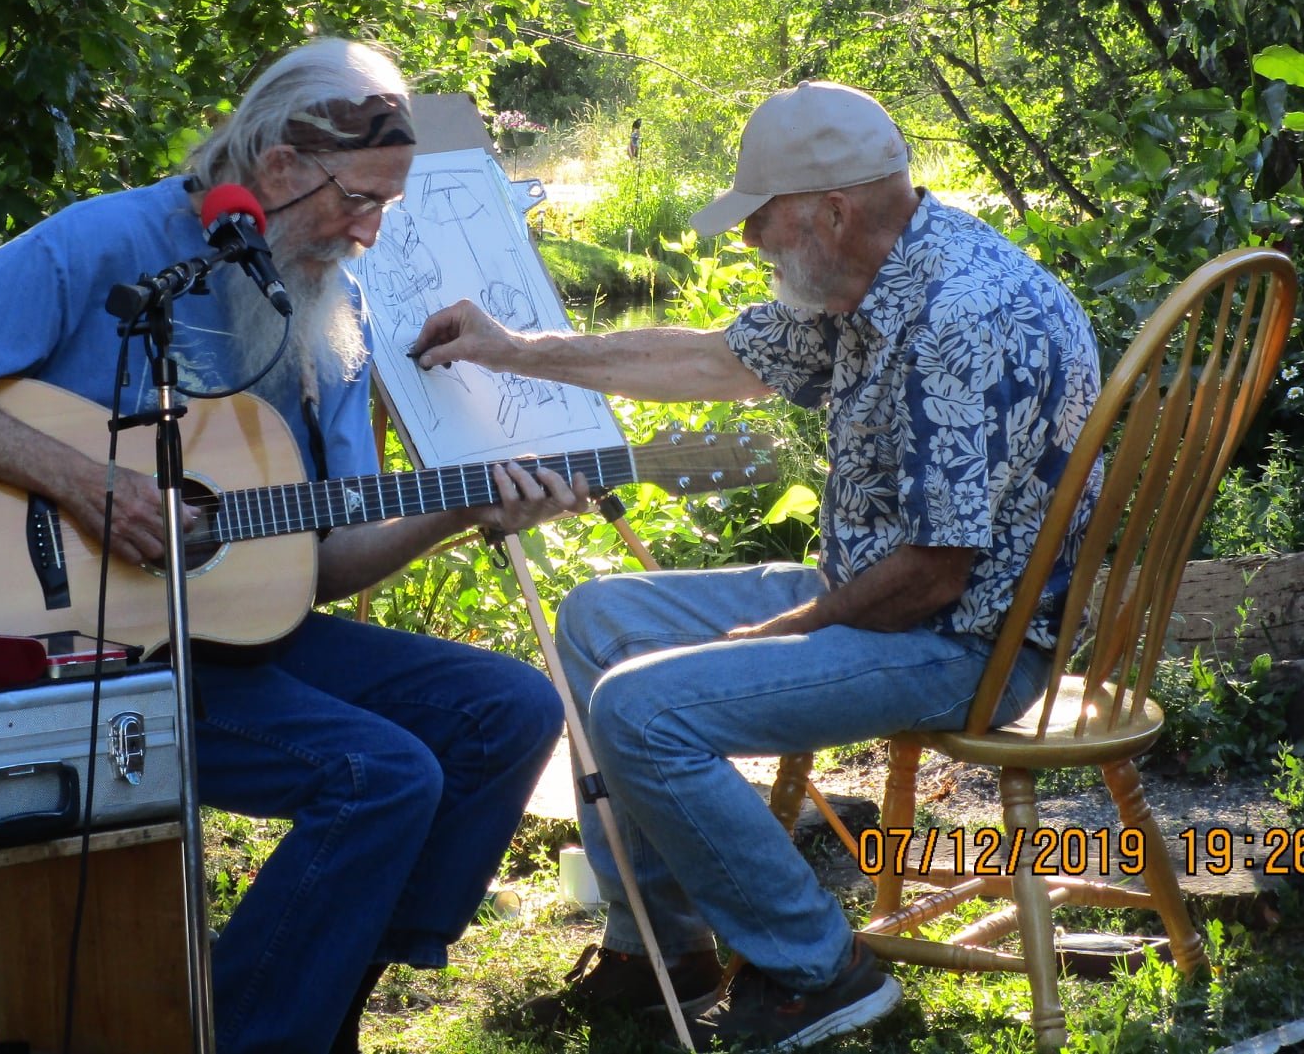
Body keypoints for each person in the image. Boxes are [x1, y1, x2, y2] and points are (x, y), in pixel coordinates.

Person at [0, 39, 580, 1054]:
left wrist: (463, 508)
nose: (367, 235)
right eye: (355, 200)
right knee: (382, 774)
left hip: (237, 644)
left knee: (508, 710)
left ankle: (325, 1005)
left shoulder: (331, 309)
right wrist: (84, 482)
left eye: (385, 208)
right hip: (72, 654)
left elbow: (323, 557)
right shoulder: (109, 242)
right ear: (276, 167)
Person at [410, 81, 1103, 1053]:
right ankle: (662, 949)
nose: (748, 245)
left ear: (832, 210)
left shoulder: (961, 317)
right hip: (881, 597)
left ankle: (817, 970)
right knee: (596, 623)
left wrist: (785, 633)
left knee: (643, 709)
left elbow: (938, 573)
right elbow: (714, 361)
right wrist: (515, 350)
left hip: (962, 643)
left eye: (761, 222)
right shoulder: (874, 277)